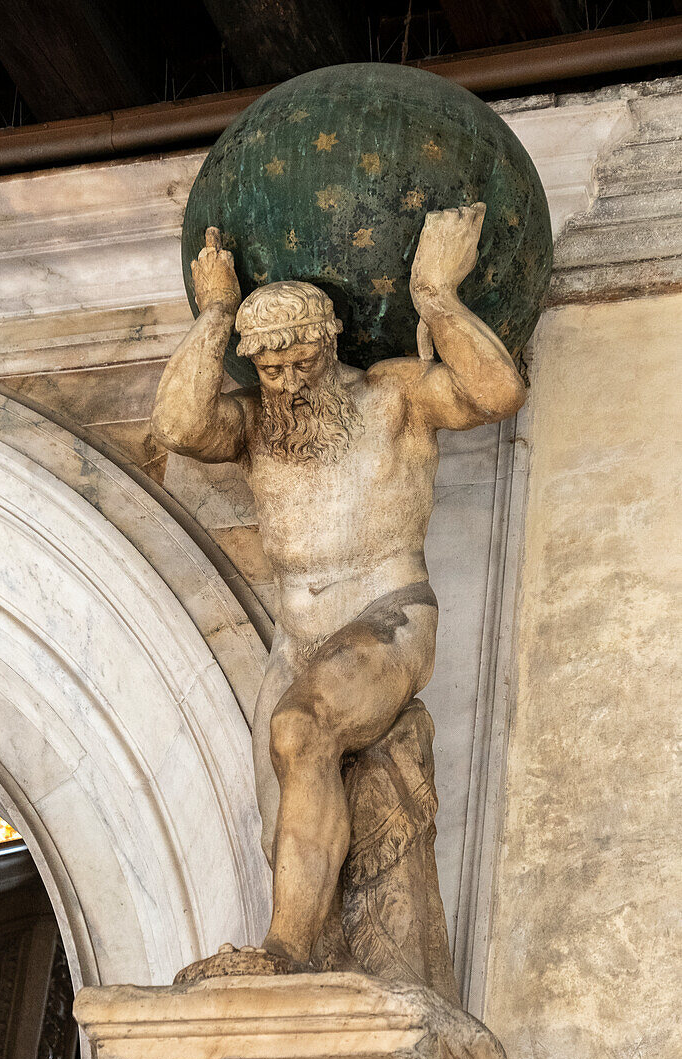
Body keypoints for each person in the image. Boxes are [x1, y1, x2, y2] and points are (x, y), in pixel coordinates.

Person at [152, 204, 525, 970]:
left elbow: (496, 394)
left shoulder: (391, 396)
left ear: (330, 344)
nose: (288, 383)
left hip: (387, 615)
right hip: (298, 638)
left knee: (299, 731)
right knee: (277, 820)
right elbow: (180, 427)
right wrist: (217, 310)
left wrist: (436, 296)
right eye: (270, 368)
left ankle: (283, 949)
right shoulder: (257, 423)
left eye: (302, 363)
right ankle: (313, 960)